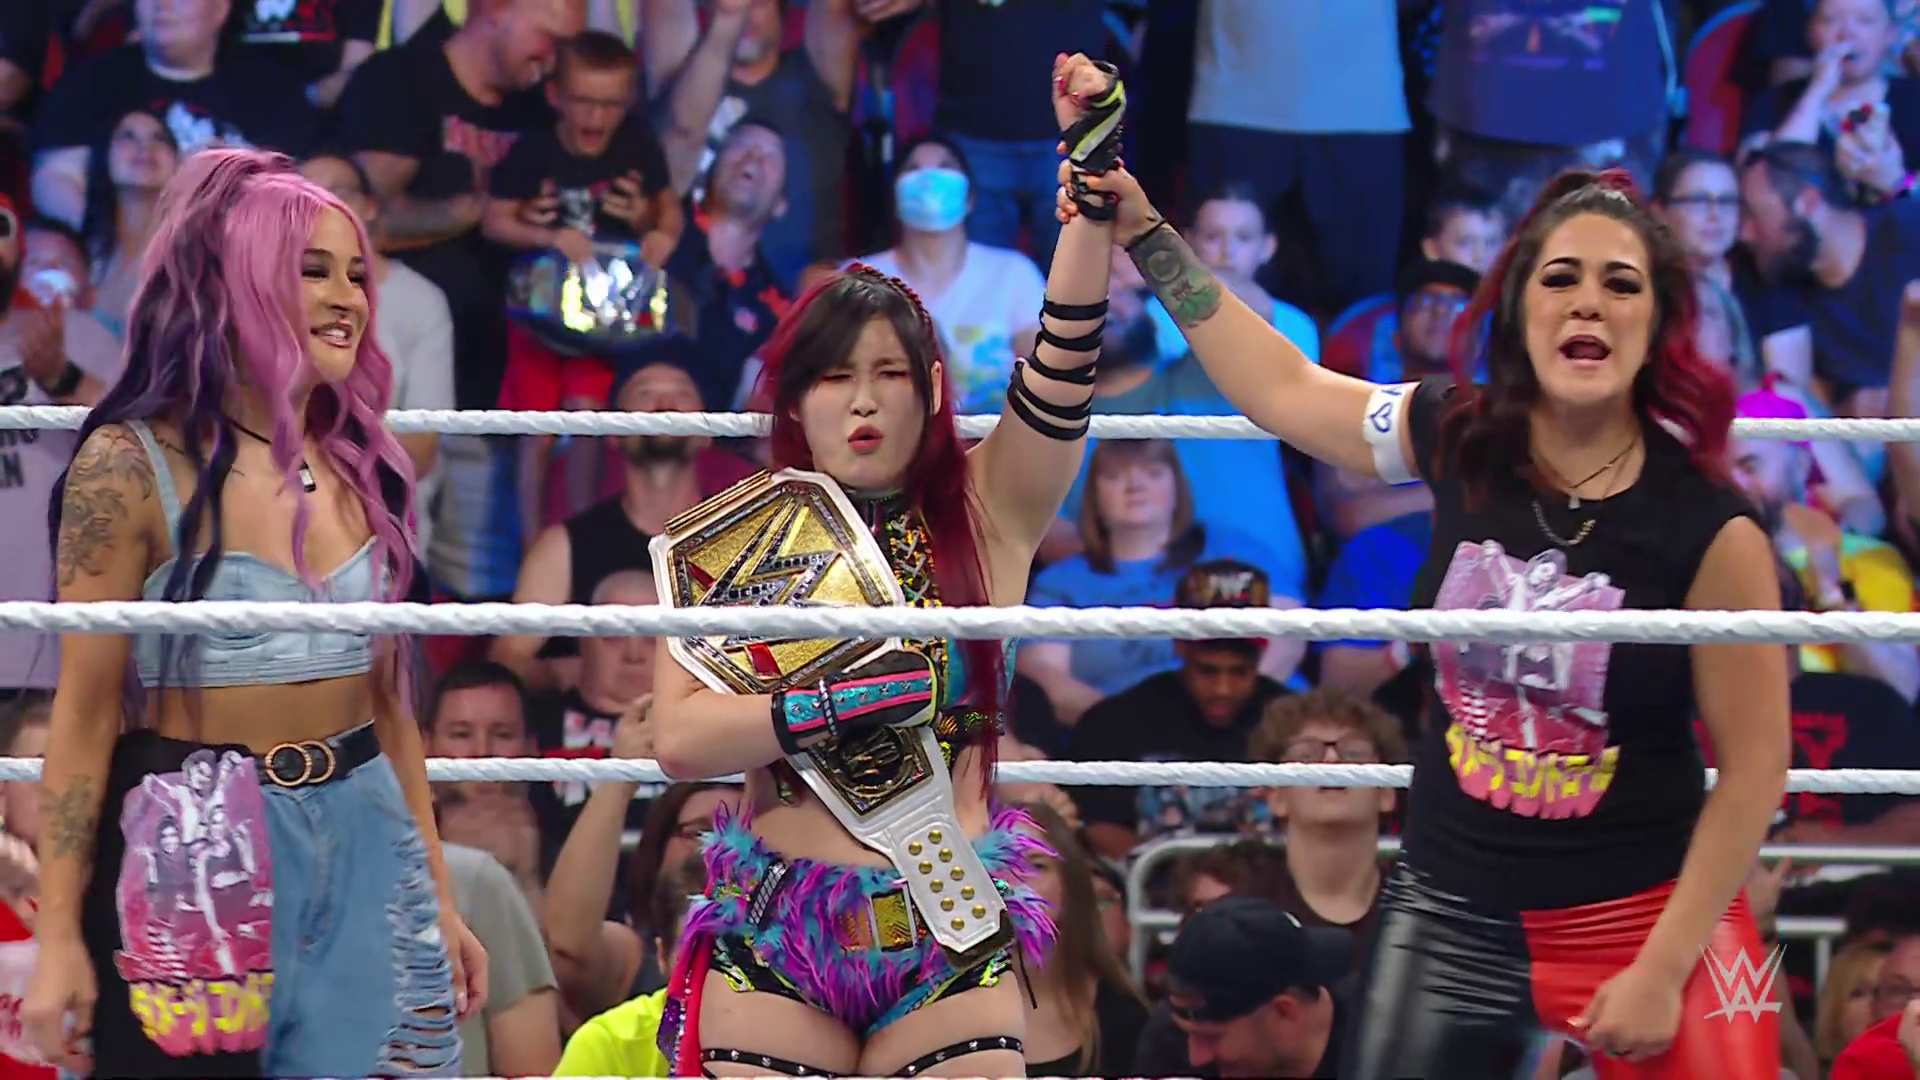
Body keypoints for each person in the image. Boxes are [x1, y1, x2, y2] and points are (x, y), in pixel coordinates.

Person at [1059, 85, 1791, 1075]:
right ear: (1520, 309)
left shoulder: (1712, 528)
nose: (1587, 300)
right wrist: (1149, 236)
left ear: (1657, 322)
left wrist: (1664, 967)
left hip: (1646, 910)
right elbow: (1285, 388)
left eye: (1620, 284)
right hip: (1455, 908)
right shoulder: (1459, 433)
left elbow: (1755, 767)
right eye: (1560, 277)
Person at [647, 53, 1127, 1080]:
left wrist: (1090, 189)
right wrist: (821, 709)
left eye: (888, 374)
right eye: (833, 377)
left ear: (933, 389)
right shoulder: (730, 540)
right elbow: (679, 740)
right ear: (795, 400)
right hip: (777, 928)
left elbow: (1062, 368)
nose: (862, 401)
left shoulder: (986, 513)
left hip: (946, 928)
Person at [20, 149, 487, 1079]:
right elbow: (85, 711)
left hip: (362, 823)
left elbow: (391, 707)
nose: (347, 298)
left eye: (356, 274)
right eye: (312, 271)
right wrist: (60, 935)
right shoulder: (131, 464)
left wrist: (436, 891)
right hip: (201, 835)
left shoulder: (364, 464)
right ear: (238, 282)